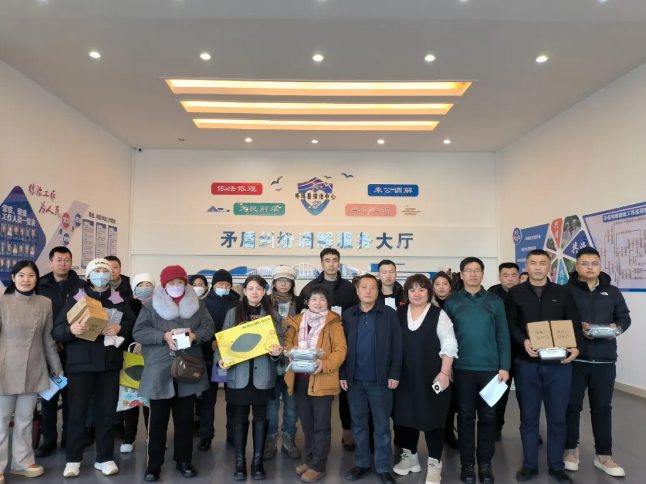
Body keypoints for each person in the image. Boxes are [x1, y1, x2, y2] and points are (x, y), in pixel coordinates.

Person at [52, 258, 135, 478]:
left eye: (104, 270)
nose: (101, 274)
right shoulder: (76, 298)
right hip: (81, 364)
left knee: (107, 412)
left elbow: (133, 325)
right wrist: (72, 329)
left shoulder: (118, 299)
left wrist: (119, 327)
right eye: (96, 270)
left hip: (109, 363)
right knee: (77, 413)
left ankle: (105, 458)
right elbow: (57, 330)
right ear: (88, 275)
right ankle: (73, 459)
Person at [506, 249, 583, 484]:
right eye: (533, 263)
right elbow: (510, 324)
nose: (538, 267)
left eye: (542, 263)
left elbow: (574, 323)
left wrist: (576, 347)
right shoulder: (516, 292)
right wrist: (523, 340)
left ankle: (556, 466)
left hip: (559, 365)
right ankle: (529, 465)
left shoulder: (563, 292)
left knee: (558, 417)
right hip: (527, 364)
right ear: (526, 266)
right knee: (529, 417)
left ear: (550, 267)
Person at [133, 265, 215, 482]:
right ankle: (153, 464)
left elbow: (209, 327)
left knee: (185, 420)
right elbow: (138, 331)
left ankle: (184, 461)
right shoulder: (151, 305)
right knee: (157, 422)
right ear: (164, 285)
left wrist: (195, 336)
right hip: (159, 370)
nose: (176, 286)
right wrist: (163, 336)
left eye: (180, 282)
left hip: (188, 369)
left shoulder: (198, 304)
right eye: (171, 283)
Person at [564, 247, 630, 477]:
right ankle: (570, 450)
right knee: (571, 406)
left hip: (604, 360)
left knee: (602, 408)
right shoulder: (566, 291)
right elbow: (559, 319)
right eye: (585, 263)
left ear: (600, 266)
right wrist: (576, 331)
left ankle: (604, 455)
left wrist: (616, 328)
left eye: (594, 263)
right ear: (576, 266)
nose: (590, 267)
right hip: (575, 359)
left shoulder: (612, 292)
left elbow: (624, 317)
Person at [444, 258, 510, 484]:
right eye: (468, 270)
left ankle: (485, 463)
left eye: (477, 270)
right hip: (462, 368)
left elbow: (503, 335)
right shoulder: (452, 302)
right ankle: (467, 464)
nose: (473, 274)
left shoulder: (495, 301)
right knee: (465, 416)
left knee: (489, 416)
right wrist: (448, 367)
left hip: (491, 370)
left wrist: (504, 366)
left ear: (483, 274)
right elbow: (446, 338)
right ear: (461, 275)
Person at [216, 275, 284, 481]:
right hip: (239, 374)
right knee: (239, 416)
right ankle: (240, 462)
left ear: (264, 292)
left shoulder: (272, 314)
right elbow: (223, 341)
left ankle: (257, 462)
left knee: (262, 416)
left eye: (259, 288)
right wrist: (221, 359)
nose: (254, 292)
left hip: (263, 374)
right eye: (250, 288)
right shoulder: (233, 313)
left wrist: (277, 352)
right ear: (244, 291)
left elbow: (279, 341)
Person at [392, 274, 458, 484]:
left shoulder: (438, 314)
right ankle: (410, 457)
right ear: (407, 293)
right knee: (405, 417)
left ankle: (434, 463)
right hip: (404, 376)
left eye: (421, 289)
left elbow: (450, 344)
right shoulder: (398, 313)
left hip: (433, 376)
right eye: (412, 289)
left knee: (434, 419)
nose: (417, 293)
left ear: (429, 293)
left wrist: (445, 373)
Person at [0, 261, 63, 480]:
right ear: (13, 278)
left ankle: (23, 462)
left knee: (26, 419)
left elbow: (47, 338)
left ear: (37, 278)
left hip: (35, 368)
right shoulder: (2, 302)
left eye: (31, 275)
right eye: (21, 275)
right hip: (5, 368)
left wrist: (56, 366)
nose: (26, 280)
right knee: (1, 420)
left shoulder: (45, 303)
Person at [340, 274, 402, 484]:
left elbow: (397, 345)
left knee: (382, 427)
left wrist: (394, 373)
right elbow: (341, 348)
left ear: (378, 291)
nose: (368, 291)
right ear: (357, 291)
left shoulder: (389, 314)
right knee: (358, 424)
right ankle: (362, 463)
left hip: (381, 381)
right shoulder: (348, 315)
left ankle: (383, 467)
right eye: (364, 287)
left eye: (372, 288)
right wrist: (342, 374)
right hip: (354, 381)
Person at [284, 284, 347, 483]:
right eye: (314, 299)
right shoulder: (297, 321)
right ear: (307, 302)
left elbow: (340, 350)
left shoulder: (334, 323)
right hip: (300, 379)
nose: (318, 303)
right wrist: (290, 352)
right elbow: (287, 342)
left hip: (322, 379)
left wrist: (325, 364)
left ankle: (318, 466)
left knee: (321, 425)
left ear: (328, 302)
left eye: (322, 299)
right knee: (307, 424)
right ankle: (310, 460)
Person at [298, 249, 359, 451]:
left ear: (339, 263)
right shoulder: (310, 288)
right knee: (317, 401)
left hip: (343, 344)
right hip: (316, 351)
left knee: (345, 391)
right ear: (322, 263)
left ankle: (347, 431)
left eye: (334, 260)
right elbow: (300, 317)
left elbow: (356, 315)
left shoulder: (349, 288)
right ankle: (313, 445)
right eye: (327, 260)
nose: (331, 264)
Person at [35, 247, 83, 458]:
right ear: (51, 263)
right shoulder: (41, 285)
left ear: (71, 262)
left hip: (74, 348)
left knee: (72, 398)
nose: (63, 264)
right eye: (58, 260)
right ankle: (49, 440)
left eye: (66, 260)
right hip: (50, 349)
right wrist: (53, 341)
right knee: (49, 398)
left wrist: (67, 337)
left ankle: (69, 438)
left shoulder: (81, 286)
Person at [199, 269, 240, 451]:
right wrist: (210, 343)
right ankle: (206, 435)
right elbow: (199, 327)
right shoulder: (203, 303)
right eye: (220, 283)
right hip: (209, 357)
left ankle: (232, 435)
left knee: (233, 400)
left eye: (227, 284)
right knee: (208, 400)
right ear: (213, 285)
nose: (224, 286)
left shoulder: (238, 303)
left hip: (233, 357)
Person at [265, 265, 301, 460]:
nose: (284, 284)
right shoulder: (265, 303)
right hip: (270, 362)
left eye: (287, 280)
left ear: (292, 283)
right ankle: (270, 440)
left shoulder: (300, 303)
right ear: (274, 283)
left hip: (293, 362)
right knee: (271, 406)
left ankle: (288, 439)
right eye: (280, 280)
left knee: (291, 405)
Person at [120, 273, 155, 454]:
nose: (145, 287)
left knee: (152, 400)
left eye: (148, 284)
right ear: (134, 288)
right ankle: (129, 437)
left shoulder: (159, 305)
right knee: (130, 399)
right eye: (141, 284)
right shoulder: (126, 304)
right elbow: (123, 328)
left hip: (154, 357)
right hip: (130, 356)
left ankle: (152, 436)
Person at [487, 262, 522, 441]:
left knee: (526, 396)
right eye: (506, 275)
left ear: (519, 277)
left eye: (513, 275)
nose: (510, 279)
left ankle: (529, 429)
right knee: (499, 393)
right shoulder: (491, 295)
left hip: (523, 351)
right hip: (499, 353)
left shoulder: (525, 293)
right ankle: (496, 427)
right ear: (499, 277)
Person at [432, 272, 458, 448]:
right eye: (437, 284)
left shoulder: (456, 303)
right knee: (436, 398)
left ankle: (449, 432)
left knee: (453, 400)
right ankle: (437, 433)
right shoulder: (427, 305)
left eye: (445, 284)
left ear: (450, 286)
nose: (441, 287)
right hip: (434, 357)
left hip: (454, 356)